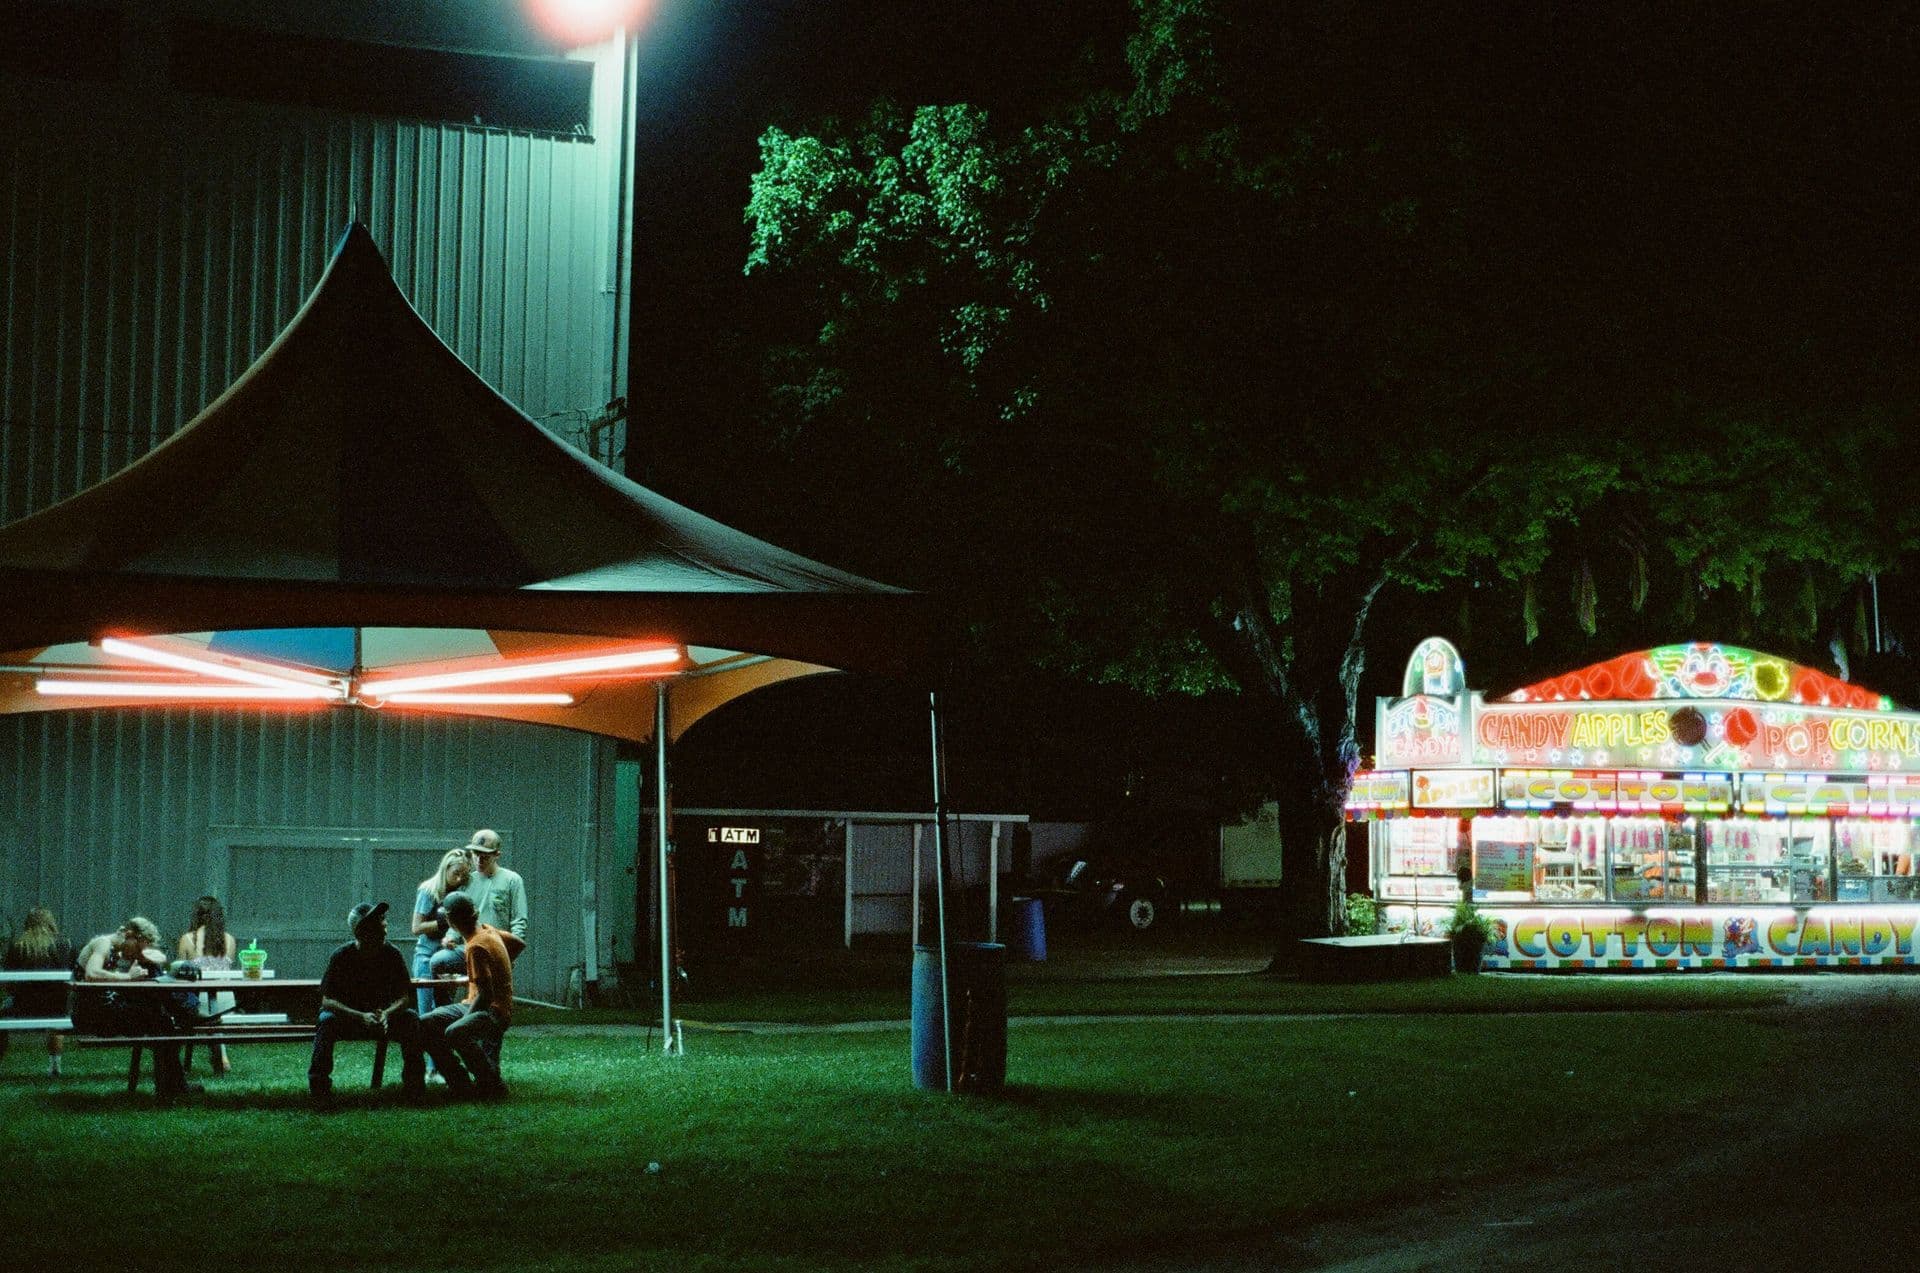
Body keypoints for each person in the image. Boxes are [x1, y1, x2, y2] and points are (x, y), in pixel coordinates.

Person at [309, 901, 426, 1109]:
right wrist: (359, 1015)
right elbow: (327, 1000)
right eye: (377, 922)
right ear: (361, 931)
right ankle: (320, 1091)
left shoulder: (392, 954)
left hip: (383, 1019)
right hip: (349, 1019)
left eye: (382, 920)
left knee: (410, 1019)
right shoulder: (342, 956)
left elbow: (404, 997)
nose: (384, 925)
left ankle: (415, 1089)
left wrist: (387, 1014)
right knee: (326, 1021)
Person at [73, 917, 195, 1104]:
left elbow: (161, 957)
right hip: (91, 1016)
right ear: (130, 936)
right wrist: (127, 977)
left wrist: (144, 956)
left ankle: (174, 1086)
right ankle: (169, 1089)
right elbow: (91, 973)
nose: (139, 954)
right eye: (138, 948)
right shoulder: (102, 944)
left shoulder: (118, 951)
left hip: (104, 1010)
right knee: (159, 1021)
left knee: (161, 1021)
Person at [420, 892, 523, 1099]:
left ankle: (493, 1085)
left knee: (454, 1032)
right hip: (476, 1004)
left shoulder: (475, 946)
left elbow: (486, 996)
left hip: (494, 1011)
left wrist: (464, 1024)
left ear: (450, 920)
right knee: (424, 1023)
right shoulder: (488, 930)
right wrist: (502, 965)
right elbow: (519, 943)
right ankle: (461, 1085)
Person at [427, 829, 526, 981]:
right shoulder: (468, 881)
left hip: (495, 948)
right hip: (469, 947)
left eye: (485, 856)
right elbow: (457, 915)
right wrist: (450, 937)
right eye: (475, 854)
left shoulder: (512, 880)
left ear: (496, 855)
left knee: (490, 992)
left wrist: (509, 953)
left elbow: (519, 922)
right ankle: (443, 1005)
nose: (479, 860)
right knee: (438, 961)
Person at [4, 908, 76, 1077]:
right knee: (57, 1019)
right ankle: (55, 1065)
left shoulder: (18, 946)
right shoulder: (65, 944)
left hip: (23, 1006)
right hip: (56, 1006)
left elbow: (8, 982)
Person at [177, 895, 238, 1076]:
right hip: (227, 998)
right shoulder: (229, 940)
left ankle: (175, 1056)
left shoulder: (187, 939)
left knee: (181, 1004)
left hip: (198, 998)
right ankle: (222, 1056)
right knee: (215, 1014)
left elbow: (181, 972)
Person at [412, 848, 472, 1016]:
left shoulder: (461, 893)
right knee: (427, 1013)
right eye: (456, 873)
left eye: (464, 875)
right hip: (427, 957)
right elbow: (416, 927)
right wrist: (444, 921)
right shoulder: (428, 891)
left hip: (447, 958)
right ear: (446, 868)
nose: (459, 879)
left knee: (444, 1011)